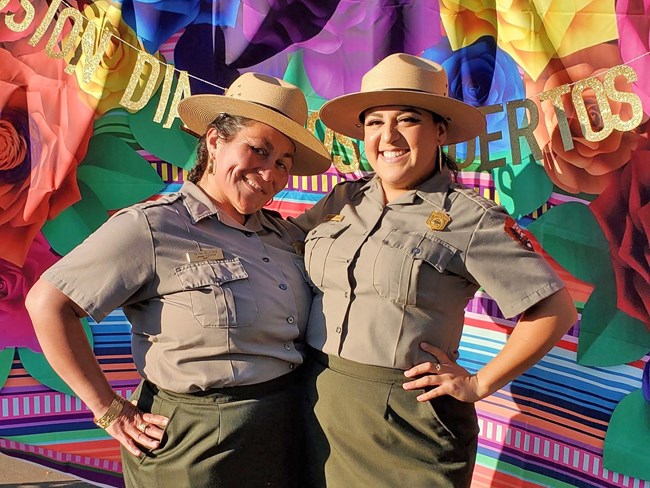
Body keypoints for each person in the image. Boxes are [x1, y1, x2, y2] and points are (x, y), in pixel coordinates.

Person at [25, 72, 330, 488]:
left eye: (282, 163)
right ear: (215, 141)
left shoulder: (283, 234)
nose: (269, 172)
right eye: (258, 150)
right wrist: (109, 409)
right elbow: (48, 304)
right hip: (194, 443)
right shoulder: (154, 227)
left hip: (285, 430)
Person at [290, 53, 578, 487]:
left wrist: (479, 384)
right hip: (317, 407)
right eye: (374, 122)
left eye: (407, 119)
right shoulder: (342, 200)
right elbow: (275, 254)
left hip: (409, 428)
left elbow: (555, 309)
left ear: (440, 130)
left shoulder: (471, 218)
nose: (388, 136)